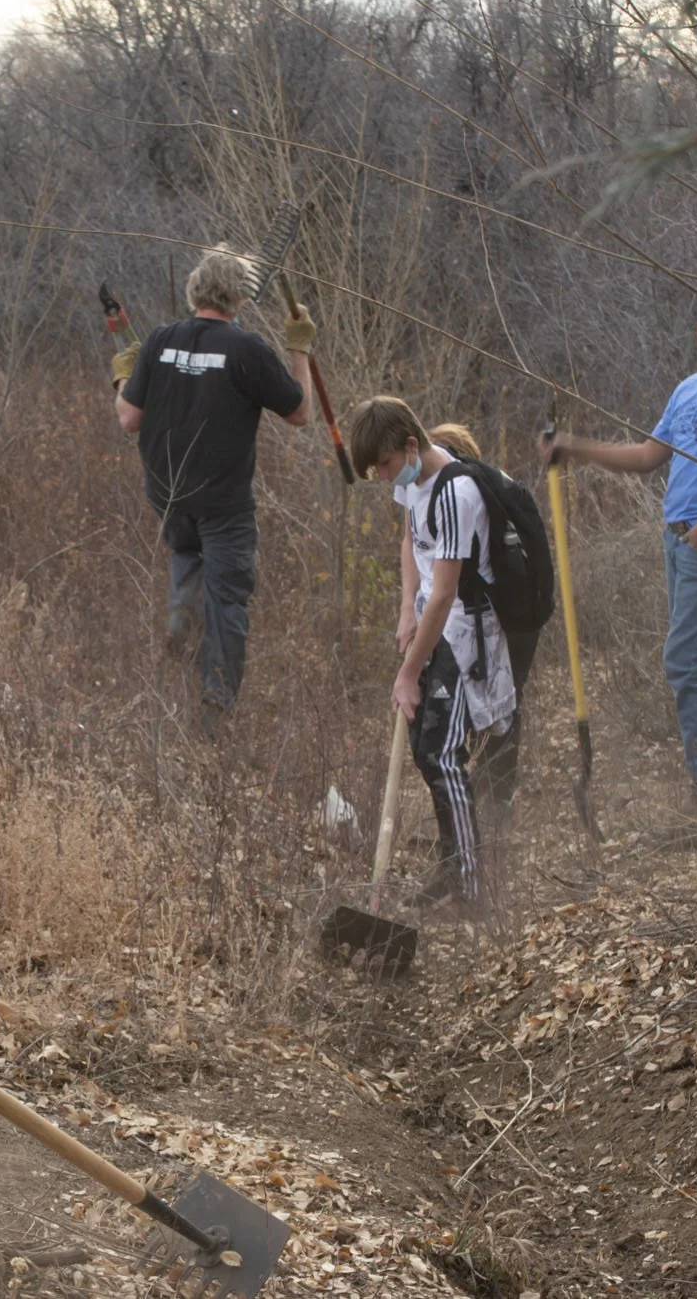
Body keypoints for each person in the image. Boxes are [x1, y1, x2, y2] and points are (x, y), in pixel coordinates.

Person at [539, 294, 697, 797]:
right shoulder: (688, 389)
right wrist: (575, 448)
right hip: (678, 542)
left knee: (685, 658)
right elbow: (649, 455)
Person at [111, 246, 314, 717]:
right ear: (238, 299)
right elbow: (300, 411)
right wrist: (299, 348)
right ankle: (214, 711)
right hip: (224, 508)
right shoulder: (247, 350)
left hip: (170, 501)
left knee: (186, 580)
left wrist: (123, 378)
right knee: (226, 605)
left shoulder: (160, 341)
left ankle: (175, 681)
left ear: (195, 289)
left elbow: (128, 418)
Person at [350, 397, 517, 909]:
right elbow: (410, 542)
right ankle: (452, 863)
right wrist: (405, 606)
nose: (381, 477)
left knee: (441, 754)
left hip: (465, 635)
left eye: (384, 465)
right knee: (429, 750)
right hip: (431, 623)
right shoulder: (415, 482)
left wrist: (409, 671)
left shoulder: (456, 493)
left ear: (409, 445)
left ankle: (470, 885)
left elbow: (445, 594)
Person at [425, 422, 540, 824]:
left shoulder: (463, 493)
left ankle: (493, 804)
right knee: (502, 698)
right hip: (517, 608)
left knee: (497, 700)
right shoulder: (494, 484)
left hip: (502, 611)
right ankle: (492, 800)